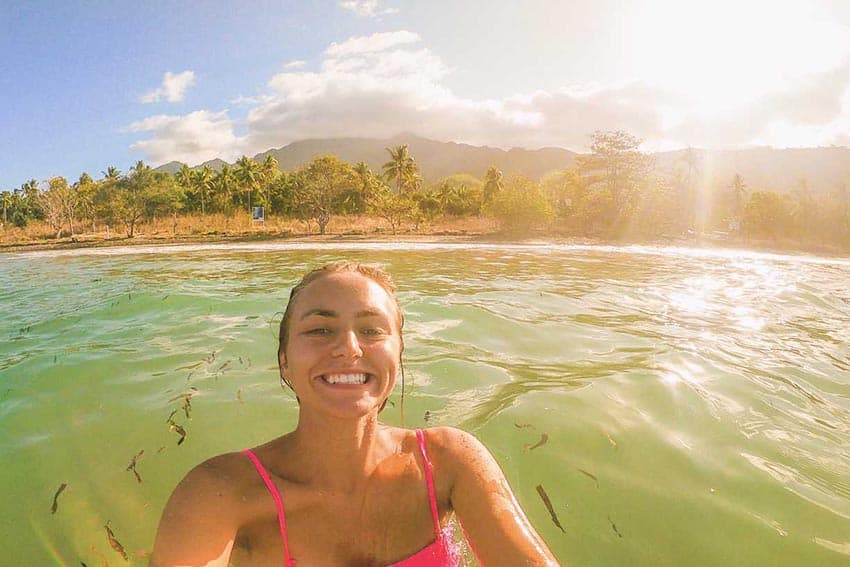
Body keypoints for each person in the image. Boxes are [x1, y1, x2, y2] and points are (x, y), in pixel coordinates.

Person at [150, 261, 559, 566]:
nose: (349, 348)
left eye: (371, 330)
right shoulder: (221, 493)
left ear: (398, 353)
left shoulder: (448, 461)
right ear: (284, 362)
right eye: (319, 330)